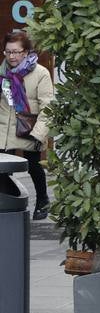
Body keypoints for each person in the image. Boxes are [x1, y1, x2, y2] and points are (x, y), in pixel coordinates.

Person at [1, 31, 53, 220]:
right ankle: (7, 206)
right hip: (4, 129)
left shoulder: (40, 73)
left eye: (16, 52)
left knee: (33, 165)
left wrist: (39, 133)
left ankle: (42, 199)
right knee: (3, 169)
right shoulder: (2, 72)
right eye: (8, 52)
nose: (11, 56)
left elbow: (48, 106)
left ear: (25, 52)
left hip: (28, 127)